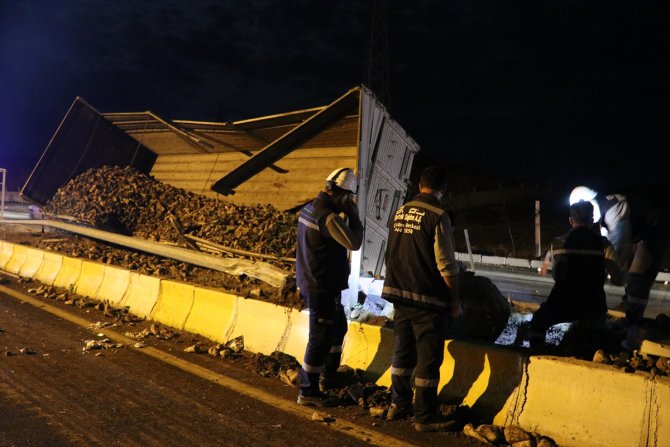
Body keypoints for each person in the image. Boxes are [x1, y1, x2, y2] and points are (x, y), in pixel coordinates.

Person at [381, 166, 463, 432]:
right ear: (443, 191)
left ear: (419, 185)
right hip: (426, 299)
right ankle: (425, 417)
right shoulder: (438, 216)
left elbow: (391, 251)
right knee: (428, 358)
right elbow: (446, 265)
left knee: (402, 353)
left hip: (398, 293)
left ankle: (398, 404)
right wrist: (455, 301)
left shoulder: (399, 211)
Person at [295, 167, 363, 406]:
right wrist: (354, 216)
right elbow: (354, 243)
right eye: (350, 198)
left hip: (316, 281)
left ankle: (328, 375)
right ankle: (308, 391)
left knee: (338, 328)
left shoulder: (310, 207)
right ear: (343, 196)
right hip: (320, 286)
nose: (350, 202)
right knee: (320, 337)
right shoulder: (328, 217)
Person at [570, 186, 670, 349]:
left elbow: (618, 250)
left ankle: (633, 327)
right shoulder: (604, 211)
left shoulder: (614, 210)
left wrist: (607, 275)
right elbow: (605, 246)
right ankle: (628, 312)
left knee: (638, 275)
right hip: (640, 230)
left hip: (656, 229)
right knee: (632, 268)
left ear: (590, 206)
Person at [531, 200, 624, 349]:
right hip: (593, 308)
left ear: (570, 220)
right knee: (595, 339)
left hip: (561, 304)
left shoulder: (557, 243)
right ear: (592, 220)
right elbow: (619, 279)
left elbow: (556, 275)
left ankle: (536, 354)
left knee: (537, 322)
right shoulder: (603, 244)